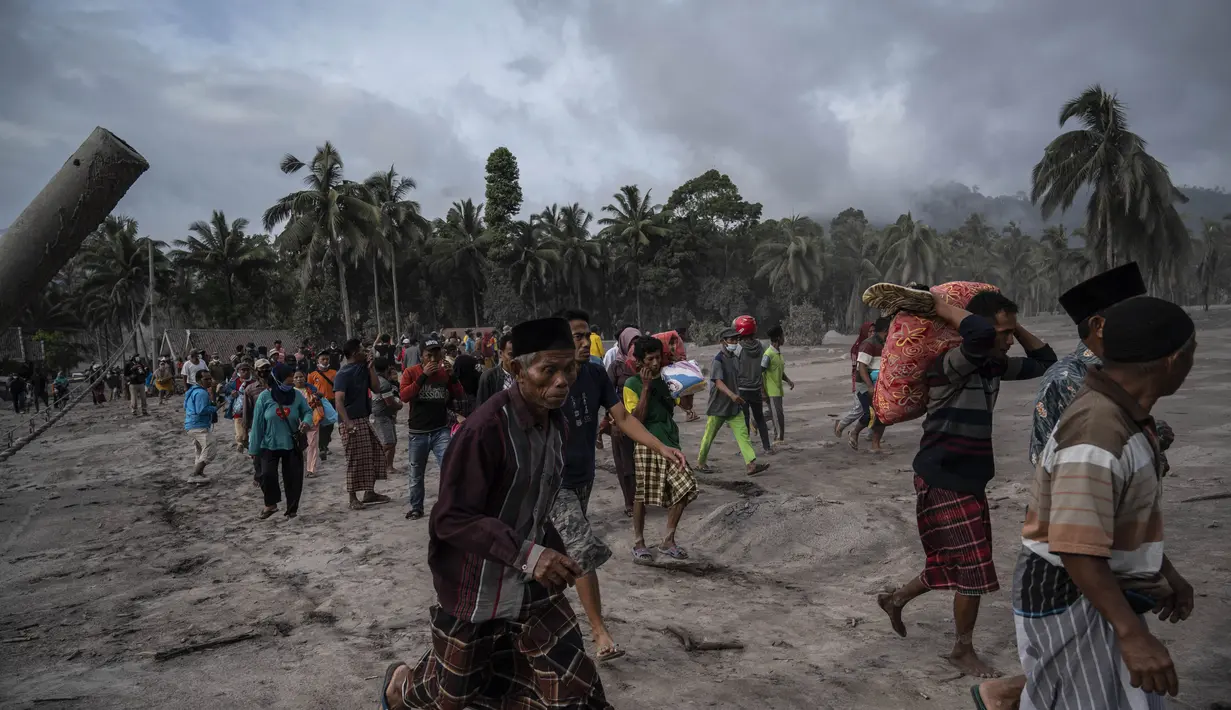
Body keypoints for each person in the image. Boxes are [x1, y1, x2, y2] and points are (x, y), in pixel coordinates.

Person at [972, 296, 1197, 710]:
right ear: (1172, 361)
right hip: (1070, 588)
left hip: (1096, 585)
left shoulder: (1126, 417)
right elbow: (1075, 545)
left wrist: (1164, 572)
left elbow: (1122, 513)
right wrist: (1132, 633)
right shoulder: (1099, 430)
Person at [377, 317, 612, 710]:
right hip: (477, 585)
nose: (562, 381)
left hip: (532, 586)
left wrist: (555, 554)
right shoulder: (484, 431)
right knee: (452, 694)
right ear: (518, 370)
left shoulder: (558, 426)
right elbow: (450, 519)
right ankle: (399, 688)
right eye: (548, 370)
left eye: (568, 369)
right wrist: (530, 555)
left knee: (574, 686)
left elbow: (536, 506)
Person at [876, 288, 1056, 678]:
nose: (1009, 341)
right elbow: (975, 337)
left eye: (1011, 334)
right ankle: (962, 650)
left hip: (968, 477)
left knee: (949, 561)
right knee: (974, 568)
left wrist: (1011, 326)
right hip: (943, 475)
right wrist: (941, 308)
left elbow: (1045, 361)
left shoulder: (990, 366)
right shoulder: (949, 364)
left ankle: (895, 599)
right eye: (1003, 333)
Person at [556, 310, 688, 663]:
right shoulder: (548, 378)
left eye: (587, 335)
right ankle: (599, 632)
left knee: (556, 551)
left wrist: (661, 447)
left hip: (583, 479)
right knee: (582, 547)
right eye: (576, 337)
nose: (585, 343)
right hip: (551, 483)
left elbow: (624, 418)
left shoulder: (596, 374)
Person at [624, 336, 699, 564]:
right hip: (646, 443)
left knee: (687, 486)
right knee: (642, 494)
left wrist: (686, 379)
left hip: (671, 442)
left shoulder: (668, 379)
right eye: (650, 359)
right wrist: (646, 387)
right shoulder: (631, 385)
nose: (656, 363)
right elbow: (636, 420)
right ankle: (639, 542)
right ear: (639, 361)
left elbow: (686, 406)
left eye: (659, 357)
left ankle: (668, 539)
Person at [398, 336, 466, 520]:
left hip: (440, 429)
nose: (434, 359)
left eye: (437, 353)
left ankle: (450, 505)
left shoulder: (444, 373)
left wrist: (452, 377)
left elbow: (459, 394)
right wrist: (423, 376)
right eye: (429, 355)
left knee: (449, 467)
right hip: (418, 432)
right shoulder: (411, 372)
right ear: (422, 356)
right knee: (416, 473)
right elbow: (404, 396)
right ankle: (416, 507)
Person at [696, 328, 769, 476]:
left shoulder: (735, 359)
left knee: (743, 434)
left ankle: (751, 464)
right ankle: (700, 463)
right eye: (731, 340)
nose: (734, 342)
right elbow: (717, 381)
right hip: (719, 406)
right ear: (723, 341)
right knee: (709, 436)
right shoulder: (718, 360)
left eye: (736, 340)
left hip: (734, 406)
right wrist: (731, 395)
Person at [333, 338, 393, 511]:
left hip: (364, 418)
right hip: (351, 421)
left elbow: (376, 388)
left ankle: (369, 492)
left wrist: (371, 368)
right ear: (353, 353)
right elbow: (339, 401)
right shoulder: (343, 374)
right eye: (361, 349)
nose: (365, 352)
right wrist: (348, 422)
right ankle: (352, 497)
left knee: (374, 453)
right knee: (355, 459)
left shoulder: (363, 368)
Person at [249, 363, 312, 519]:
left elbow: (307, 411)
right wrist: (254, 450)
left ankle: (292, 510)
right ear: (277, 380)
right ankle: (270, 504)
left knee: (293, 478)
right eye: (287, 381)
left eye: (291, 381)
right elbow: (257, 425)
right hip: (268, 444)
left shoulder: (296, 396)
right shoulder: (264, 397)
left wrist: (306, 421)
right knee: (267, 475)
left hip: (291, 443)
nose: (290, 383)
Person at [605, 325, 643, 515]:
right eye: (632, 343)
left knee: (641, 463)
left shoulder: (644, 364)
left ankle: (642, 499)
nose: (635, 347)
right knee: (625, 464)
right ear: (624, 345)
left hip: (641, 420)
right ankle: (630, 502)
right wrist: (614, 420)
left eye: (638, 342)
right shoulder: (616, 367)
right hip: (620, 422)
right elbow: (607, 396)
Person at [848, 316, 889, 453]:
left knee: (883, 414)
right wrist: (870, 386)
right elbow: (862, 368)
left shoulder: (886, 343)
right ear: (883, 330)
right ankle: (854, 432)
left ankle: (875, 445)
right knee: (870, 413)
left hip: (880, 383)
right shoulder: (868, 344)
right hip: (865, 385)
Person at [734, 315, 773, 455]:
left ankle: (745, 449)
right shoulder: (761, 346)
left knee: (744, 421)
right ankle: (767, 447)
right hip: (756, 388)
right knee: (760, 419)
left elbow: (734, 367)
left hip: (742, 389)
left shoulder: (738, 349)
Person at [835, 321, 876, 438]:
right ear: (864, 332)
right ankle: (841, 424)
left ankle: (871, 433)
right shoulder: (858, 348)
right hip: (860, 383)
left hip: (871, 381)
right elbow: (856, 369)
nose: (873, 334)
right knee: (860, 409)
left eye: (874, 331)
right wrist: (855, 386)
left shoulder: (874, 345)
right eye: (870, 331)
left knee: (873, 408)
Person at [183, 369, 218, 486]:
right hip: (198, 425)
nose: (209, 381)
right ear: (199, 380)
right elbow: (201, 410)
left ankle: (199, 475)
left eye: (209, 378)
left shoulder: (192, 391)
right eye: (206, 379)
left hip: (191, 424)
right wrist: (215, 408)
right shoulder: (201, 393)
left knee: (199, 450)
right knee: (210, 446)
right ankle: (194, 475)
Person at [242, 359, 273, 486]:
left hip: (274, 426)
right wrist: (245, 432)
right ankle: (259, 476)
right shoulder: (250, 389)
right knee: (257, 454)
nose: (265, 371)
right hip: (257, 427)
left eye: (267, 368)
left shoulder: (276, 386)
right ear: (256, 371)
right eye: (262, 368)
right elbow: (246, 412)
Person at [762, 324, 794, 443]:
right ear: (778, 338)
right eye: (783, 336)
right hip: (771, 390)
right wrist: (762, 391)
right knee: (778, 415)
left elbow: (779, 371)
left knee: (775, 413)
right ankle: (778, 438)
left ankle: (754, 422)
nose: (784, 338)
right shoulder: (768, 354)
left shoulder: (778, 353)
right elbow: (761, 372)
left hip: (778, 389)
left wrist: (788, 381)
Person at [292, 370, 327, 478]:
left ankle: (311, 469)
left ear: (305, 377)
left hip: (312, 420)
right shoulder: (290, 392)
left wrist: (317, 396)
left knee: (312, 445)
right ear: (293, 380)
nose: (299, 379)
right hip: (295, 422)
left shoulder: (311, 389)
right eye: (296, 377)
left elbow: (321, 397)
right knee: (297, 446)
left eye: (301, 376)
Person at [307, 353, 338, 462]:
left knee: (330, 424)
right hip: (320, 403)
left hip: (332, 401)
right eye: (323, 359)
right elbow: (309, 389)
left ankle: (325, 442)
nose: (325, 361)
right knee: (321, 424)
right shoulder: (312, 375)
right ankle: (322, 447)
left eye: (327, 359)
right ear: (318, 360)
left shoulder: (334, 373)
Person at [475, 332, 516, 405]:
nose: (515, 359)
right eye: (511, 355)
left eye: (518, 354)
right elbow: (481, 409)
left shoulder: (525, 376)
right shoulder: (489, 377)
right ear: (501, 353)